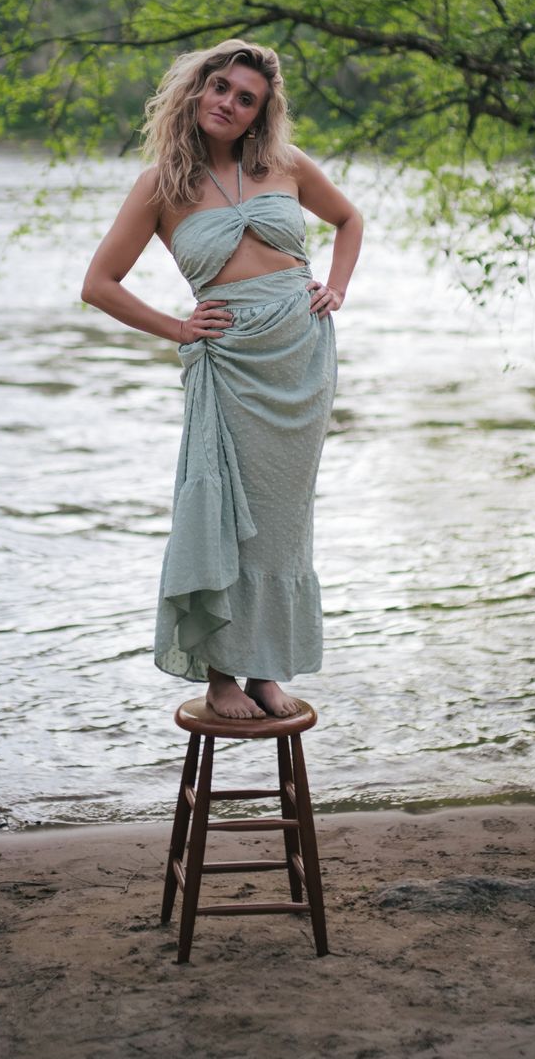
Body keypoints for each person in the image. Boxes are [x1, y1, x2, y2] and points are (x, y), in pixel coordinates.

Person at [81, 39, 363, 720]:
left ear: (259, 115)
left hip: (300, 359)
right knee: (219, 510)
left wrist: (336, 288)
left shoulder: (285, 166)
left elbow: (349, 219)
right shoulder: (160, 185)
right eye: (221, 89)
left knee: (281, 521)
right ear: (195, 90)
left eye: (246, 100)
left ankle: (266, 669)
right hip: (228, 363)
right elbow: (98, 285)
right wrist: (178, 328)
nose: (228, 105)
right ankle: (219, 676)